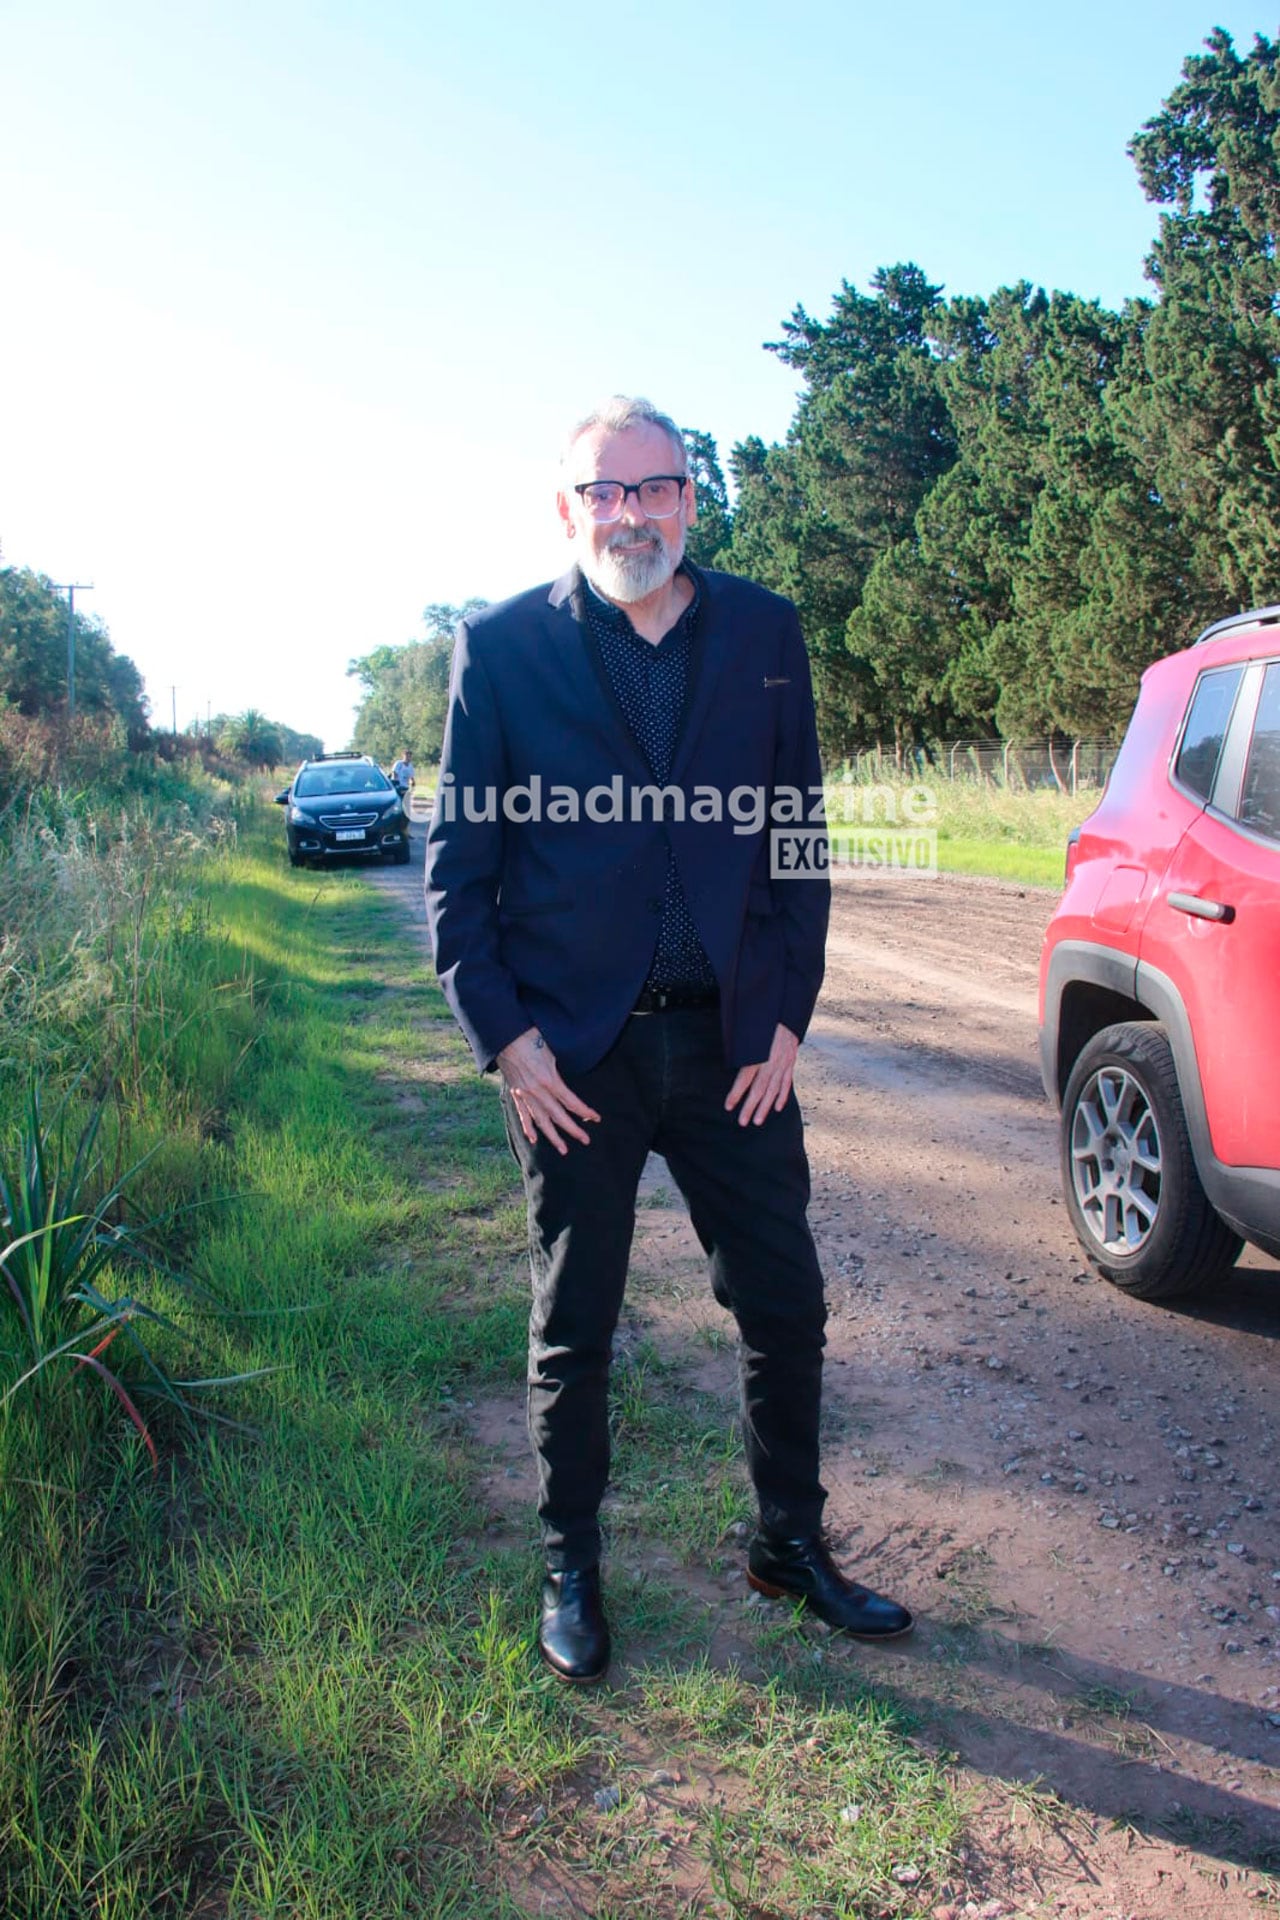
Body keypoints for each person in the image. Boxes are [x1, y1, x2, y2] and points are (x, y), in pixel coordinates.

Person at [425, 396, 913, 1682]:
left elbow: (798, 842)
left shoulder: (763, 631)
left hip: (730, 1050)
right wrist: (505, 1043)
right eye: (604, 491)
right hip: (570, 1061)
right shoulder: (499, 647)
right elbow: (457, 866)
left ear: (691, 501)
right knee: (573, 1321)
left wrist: (789, 1017)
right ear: (566, 507)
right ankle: (569, 1565)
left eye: (654, 488)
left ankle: (787, 1546)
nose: (629, 513)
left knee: (783, 1306)